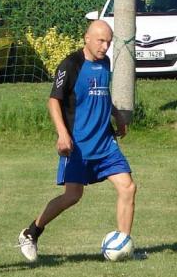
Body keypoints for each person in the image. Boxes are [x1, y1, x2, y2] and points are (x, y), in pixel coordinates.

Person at [18, 20, 135, 262]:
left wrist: (117, 115)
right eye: (101, 41)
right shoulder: (70, 65)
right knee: (72, 196)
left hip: (105, 143)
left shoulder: (105, 63)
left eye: (109, 42)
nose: (105, 47)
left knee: (128, 187)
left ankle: (123, 245)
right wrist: (62, 134)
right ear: (87, 38)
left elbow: (102, 94)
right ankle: (31, 232)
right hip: (78, 145)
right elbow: (54, 100)